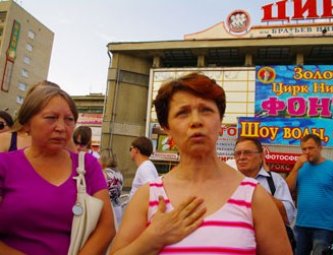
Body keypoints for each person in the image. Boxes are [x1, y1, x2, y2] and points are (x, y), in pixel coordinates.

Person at [110, 72, 292, 254]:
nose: (196, 121)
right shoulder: (148, 196)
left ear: (220, 121)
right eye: (183, 113)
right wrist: (152, 238)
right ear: (167, 128)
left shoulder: (253, 197)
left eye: (206, 110)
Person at [0, 84, 115, 254]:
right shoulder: (4, 165)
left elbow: (106, 228)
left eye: (69, 120)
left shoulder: (87, 165)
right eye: (51, 117)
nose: (61, 127)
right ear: (27, 124)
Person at [234, 137, 296, 249]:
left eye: (247, 153)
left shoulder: (275, 181)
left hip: (269, 246)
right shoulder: (228, 182)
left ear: (261, 156)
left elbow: (288, 216)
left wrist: (255, 189)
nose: (241, 157)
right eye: (238, 153)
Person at [286, 133, 333, 255]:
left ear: (320, 147)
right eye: (304, 149)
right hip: (301, 225)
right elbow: (287, 189)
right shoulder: (300, 168)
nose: (307, 152)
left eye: (311, 148)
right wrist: (296, 168)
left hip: (325, 226)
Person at [100, 148, 124, 227]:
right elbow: (119, 192)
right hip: (117, 207)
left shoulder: (103, 173)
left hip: (107, 209)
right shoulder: (119, 173)